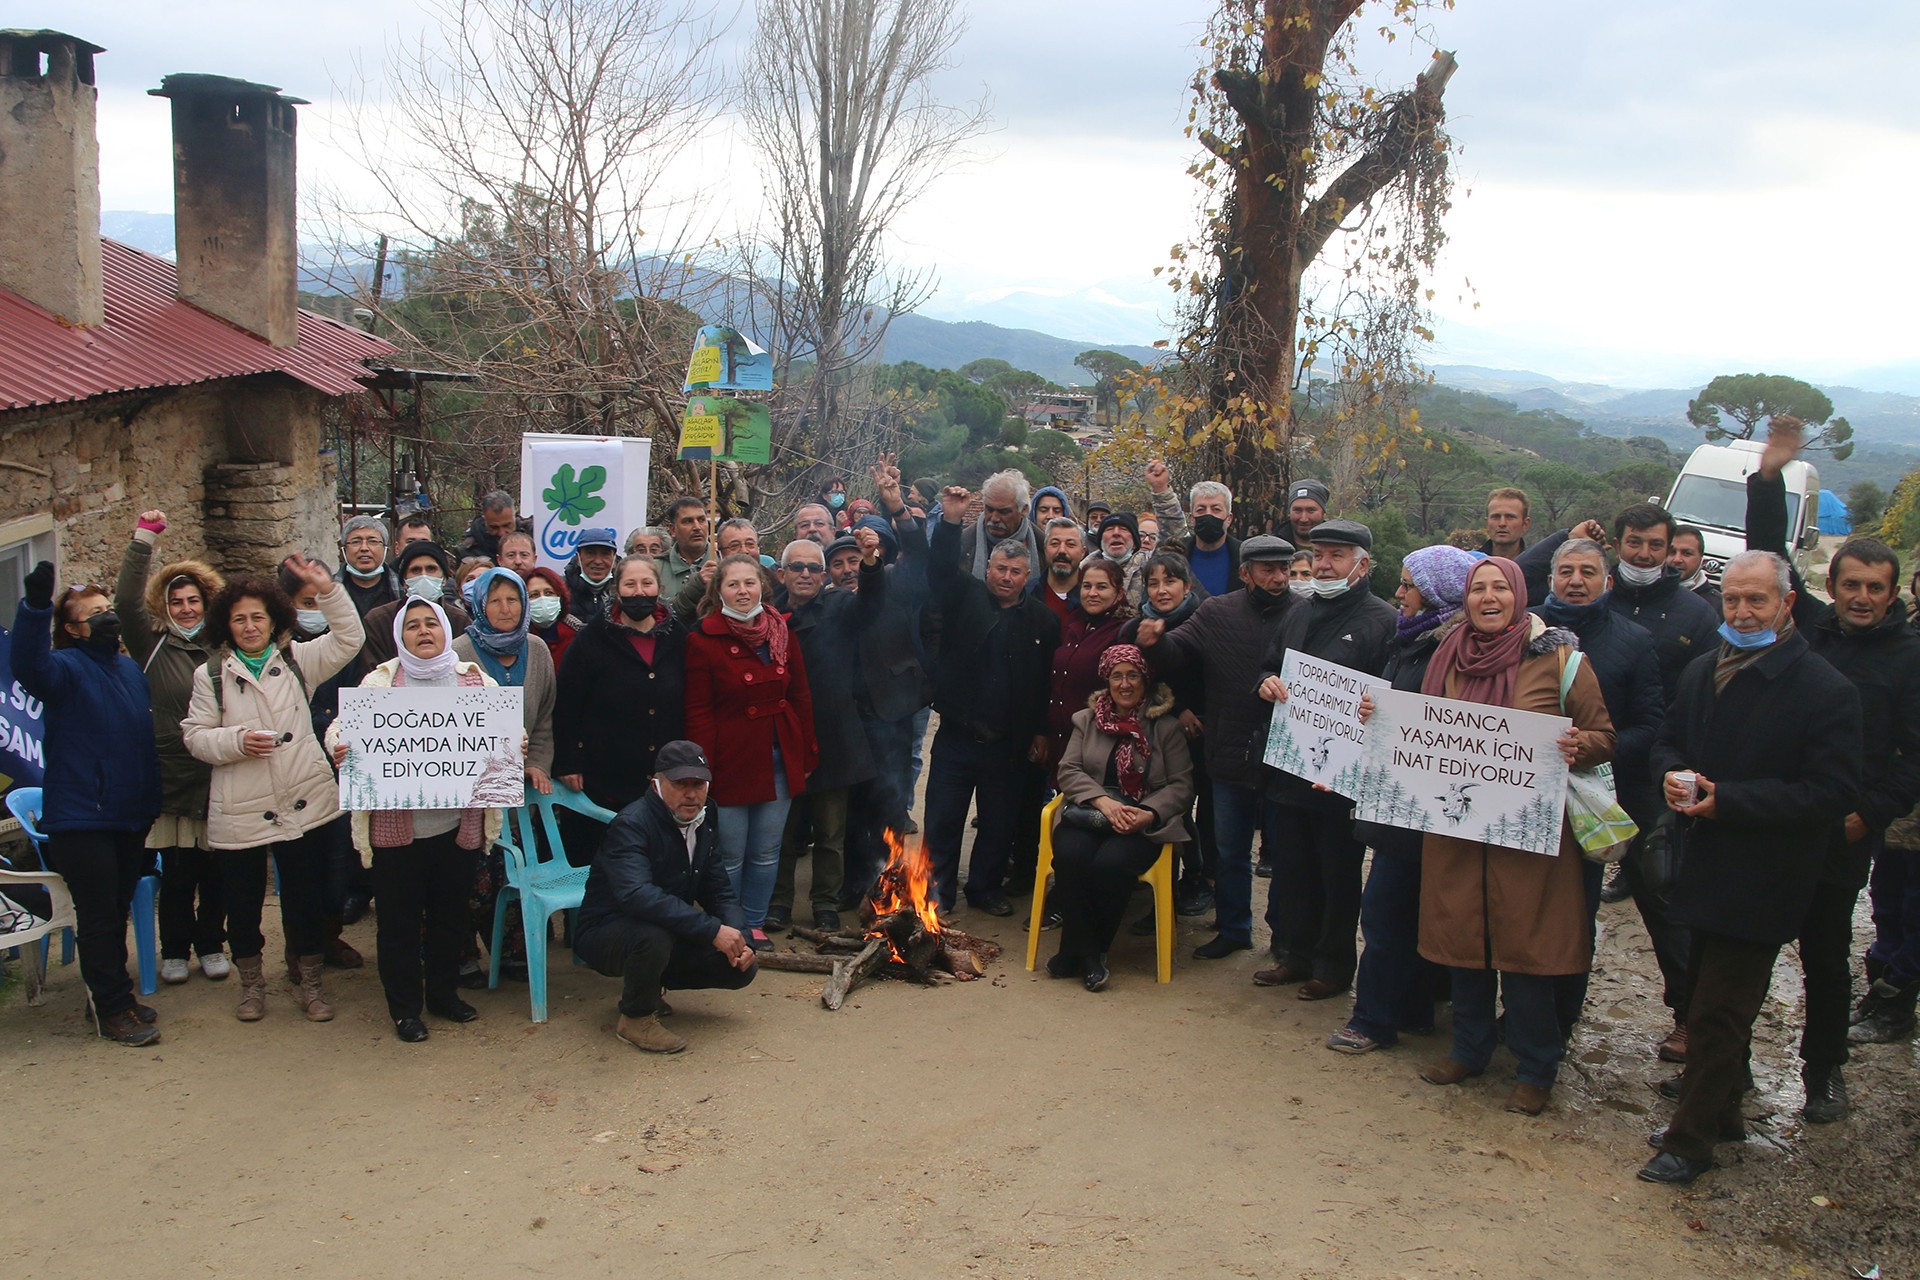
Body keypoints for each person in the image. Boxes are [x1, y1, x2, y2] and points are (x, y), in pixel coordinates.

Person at [1640, 550, 1861, 1185]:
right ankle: (1724, 1111)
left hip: (1764, 877)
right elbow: (1668, 739)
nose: (1741, 610)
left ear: (1787, 603)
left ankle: (1691, 1141)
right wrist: (1670, 775)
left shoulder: (1824, 690)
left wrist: (1728, 801)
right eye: (1732, 598)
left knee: (1719, 1011)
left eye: (1756, 600)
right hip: (1700, 867)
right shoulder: (1705, 669)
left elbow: (1831, 792)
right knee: (1703, 993)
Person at [1745, 422, 1920, 1106]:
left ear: (1892, 590)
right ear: (1835, 585)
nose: (1862, 599)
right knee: (1748, 947)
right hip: (1778, 814)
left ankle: (1823, 1072)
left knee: (1823, 956)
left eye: (1876, 588)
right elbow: (1766, 555)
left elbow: (1913, 759)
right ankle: (1727, 1069)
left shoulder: (1910, 658)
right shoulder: (1811, 628)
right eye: (1851, 586)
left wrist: (1866, 817)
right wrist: (1768, 479)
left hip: (1843, 831)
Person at [1410, 557, 1615, 1117]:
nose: (1489, 597)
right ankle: (1468, 1050)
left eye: (1501, 587)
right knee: (1464, 946)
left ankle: (1535, 1067)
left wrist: (1581, 745)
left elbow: (1604, 734)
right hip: (1457, 830)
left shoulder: (1561, 661)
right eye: (1479, 589)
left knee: (1526, 953)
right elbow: (1420, 728)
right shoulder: (1447, 656)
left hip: (1528, 839)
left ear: (1522, 595)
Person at [181, 556, 365, 1023]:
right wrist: (236, 741)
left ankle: (310, 982)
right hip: (241, 808)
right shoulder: (211, 677)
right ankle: (252, 986)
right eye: (239, 618)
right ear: (226, 623)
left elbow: (349, 638)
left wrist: (328, 592)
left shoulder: (297, 661)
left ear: (274, 620)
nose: (249, 627)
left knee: (305, 901)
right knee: (242, 907)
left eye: (257, 617)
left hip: (302, 802)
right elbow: (195, 736)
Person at [334, 599, 507, 1041]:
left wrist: (515, 746)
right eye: (413, 626)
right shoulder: (381, 683)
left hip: (457, 828)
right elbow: (341, 728)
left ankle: (444, 995)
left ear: (447, 630)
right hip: (398, 834)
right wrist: (339, 743)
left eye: (432, 622)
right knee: (399, 924)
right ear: (400, 635)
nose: (423, 631)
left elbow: (506, 730)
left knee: (451, 918)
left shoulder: (473, 681)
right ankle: (405, 1009)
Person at [1326, 544, 1474, 1054]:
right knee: (1396, 909)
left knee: (1390, 913)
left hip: (1427, 806)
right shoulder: (1410, 639)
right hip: (1398, 802)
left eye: (1409, 584)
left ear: (1435, 593)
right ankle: (1401, 1011)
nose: (1399, 593)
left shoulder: (1456, 649)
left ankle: (1373, 1020)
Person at [13, 561, 164, 1045]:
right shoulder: (63, 669)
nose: (106, 618)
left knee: (115, 910)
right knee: (98, 917)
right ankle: (112, 1011)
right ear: (73, 630)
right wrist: (36, 608)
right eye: (94, 613)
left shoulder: (126, 668)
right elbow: (29, 664)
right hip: (83, 818)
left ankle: (109, 994)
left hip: (127, 814)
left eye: (107, 609)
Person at [1531, 538, 1671, 1050]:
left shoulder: (1632, 641)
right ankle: (1521, 1015)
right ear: (1550, 580)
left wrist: (1589, 750)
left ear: (1606, 582)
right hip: (1523, 796)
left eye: (1587, 572)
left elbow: (1650, 724)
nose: (1576, 580)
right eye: (1566, 571)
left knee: (1573, 915)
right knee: (1522, 906)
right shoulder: (1524, 632)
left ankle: (1562, 1020)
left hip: (1589, 802)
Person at [1135, 535, 1297, 957]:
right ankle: (1232, 929)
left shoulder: (1305, 614)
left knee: (1285, 857)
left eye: (1283, 568)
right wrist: (1155, 641)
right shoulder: (1216, 611)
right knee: (1229, 851)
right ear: (1245, 573)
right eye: (1267, 569)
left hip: (1287, 757)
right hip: (1228, 751)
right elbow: (1179, 649)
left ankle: (1284, 937)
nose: (1277, 577)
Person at [1255, 519, 1396, 999]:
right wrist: (1266, 683)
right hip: (1291, 765)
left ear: (1362, 564)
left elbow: (1390, 702)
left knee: (1336, 872)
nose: (1323, 564)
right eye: (1318, 554)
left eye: (1336, 555)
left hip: (1341, 778)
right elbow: (1270, 663)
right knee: (1293, 869)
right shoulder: (1298, 611)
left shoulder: (1383, 621)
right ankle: (1291, 953)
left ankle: (1332, 966)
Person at [924, 486, 1062, 913]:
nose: (1006, 577)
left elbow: (1045, 684)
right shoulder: (965, 598)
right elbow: (941, 568)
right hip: (958, 735)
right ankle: (937, 891)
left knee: (998, 824)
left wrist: (1040, 730)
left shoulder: (1043, 620)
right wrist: (950, 522)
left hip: (1010, 741)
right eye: (999, 568)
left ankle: (984, 888)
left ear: (1027, 577)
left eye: (1015, 572)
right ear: (988, 570)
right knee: (943, 820)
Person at [573, 741, 757, 1053]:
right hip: (606, 931)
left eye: (698, 784)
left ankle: (649, 983)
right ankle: (636, 1017)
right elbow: (636, 895)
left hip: (668, 928)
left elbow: (719, 889)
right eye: (680, 784)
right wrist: (711, 930)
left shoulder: (706, 816)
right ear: (656, 783)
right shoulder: (631, 824)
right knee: (652, 938)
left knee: (741, 968)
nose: (691, 793)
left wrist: (741, 937)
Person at [113, 510, 229, 985]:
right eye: (176, 601)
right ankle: (175, 949)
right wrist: (143, 540)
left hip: (221, 775)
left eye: (193, 601)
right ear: (166, 606)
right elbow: (123, 602)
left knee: (218, 872)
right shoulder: (152, 645)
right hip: (174, 778)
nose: (185, 609)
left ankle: (212, 945)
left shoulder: (223, 646)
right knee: (179, 873)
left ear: (206, 603)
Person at [685, 553, 819, 945]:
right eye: (733, 584)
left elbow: (801, 696)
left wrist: (807, 751)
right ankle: (729, 926)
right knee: (729, 854)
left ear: (763, 584)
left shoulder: (781, 631)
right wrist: (702, 767)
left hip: (779, 753)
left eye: (749, 582)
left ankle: (755, 922)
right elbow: (698, 712)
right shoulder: (702, 640)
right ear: (719, 591)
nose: (743, 591)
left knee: (766, 850)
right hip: (730, 760)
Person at [1046, 645, 1194, 991]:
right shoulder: (1086, 720)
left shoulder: (1167, 727)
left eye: (1132, 676)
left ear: (1145, 681)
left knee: (1110, 864)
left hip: (1141, 819)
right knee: (1070, 855)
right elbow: (1068, 771)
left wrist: (1147, 813)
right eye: (1117, 676)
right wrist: (1103, 802)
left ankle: (1078, 951)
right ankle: (1089, 954)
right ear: (1106, 681)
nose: (1124, 684)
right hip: (1092, 812)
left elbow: (1182, 785)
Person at [769, 530, 885, 932]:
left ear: (824, 576)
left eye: (814, 568)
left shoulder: (840, 606)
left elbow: (870, 605)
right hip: (784, 738)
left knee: (831, 833)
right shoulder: (767, 615)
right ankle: (779, 903)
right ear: (781, 574)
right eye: (797, 567)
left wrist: (870, 564)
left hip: (835, 738)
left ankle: (825, 904)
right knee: (783, 832)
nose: (805, 574)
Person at [1517, 505, 1720, 703]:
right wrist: (1568, 538)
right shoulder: (1585, 597)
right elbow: (1515, 579)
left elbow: (1700, 691)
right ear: (1616, 545)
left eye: (1656, 545)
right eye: (1634, 542)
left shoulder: (1698, 614)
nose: (1644, 554)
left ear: (1667, 549)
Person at [552, 553, 685, 829]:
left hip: (665, 774)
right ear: (617, 591)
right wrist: (568, 762)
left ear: (659, 589)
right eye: (630, 585)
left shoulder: (679, 636)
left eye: (647, 583)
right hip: (606, 774)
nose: (639, 592)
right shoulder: (591, 639)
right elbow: (567, 704)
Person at [1121, 551, 1212, 917]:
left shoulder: (1204, 620)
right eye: (1153, 583)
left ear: (1187, 586)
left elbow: (1207, 674)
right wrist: (1172, 708)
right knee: (1158, 806)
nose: (1161, 591)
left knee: (1195, 808)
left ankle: (1199, 877)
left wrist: (1189, 709)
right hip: (1150, 735)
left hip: (1197, 734)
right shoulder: (1134, 628)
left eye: (1170, 582)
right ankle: (1155, 888)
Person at [1046, 559, 1134, 772]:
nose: (1092, 593)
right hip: (1059, 743)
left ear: (1119, 592)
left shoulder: (1124, 632)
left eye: (1101, 587)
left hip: (1094, 748)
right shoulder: (1074, 623)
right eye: (1087, 586)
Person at [362, 541, 472, 668]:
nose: (424, 575)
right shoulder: (378, 621)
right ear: (404, 581)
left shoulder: (460, 620)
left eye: (431, 569)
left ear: (444, 579)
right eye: (415, 570)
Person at [674, 517, 764, 622]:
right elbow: (675, 614)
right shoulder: (702, 583)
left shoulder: (774, 580)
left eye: (750, 544)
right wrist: (698, 585)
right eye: (734, 546)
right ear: (719, 554)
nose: (744, 551)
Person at [960, 470, 1041, 582]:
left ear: (1023, 510)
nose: (994, 519)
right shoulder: (964, 545)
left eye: (1004, 512)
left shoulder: (1044, 548)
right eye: (989, 509)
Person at [1176, 480, 1240, 598]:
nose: (1208, 515)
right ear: (1191, 519)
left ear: (1229, 519)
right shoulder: (1175, 554)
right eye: (1201, 510)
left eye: (1216, 509)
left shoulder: (1245, 557)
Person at [338, 515, 400, 617]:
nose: (364, 548)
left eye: (373, 541)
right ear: (343, 551)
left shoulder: (402, 589)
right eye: (356, 542)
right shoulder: (330, 590)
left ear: (386, 550)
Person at [563, 527, 620, 627]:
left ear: (614, 559)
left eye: (605, 554)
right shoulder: (560, 591)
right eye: (590, 553)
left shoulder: (625, 592)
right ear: (578, 558)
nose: (598, 561)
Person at [1034, 517, 1086, 623]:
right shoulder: (1027, 594)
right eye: (1055, 544)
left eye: (1070, 544)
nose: (1062, 550)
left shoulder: (1094, 597)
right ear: (1045, 549)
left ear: (1083, 552)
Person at [660, 497, 711, 602]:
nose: (697, 527)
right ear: (673, 530)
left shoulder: (724, 563)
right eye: (688, 521)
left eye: (701, 520)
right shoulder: (655, 568)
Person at [458, 489, 532, 560]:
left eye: (507, 525)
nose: (501, 533)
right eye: (494, 527)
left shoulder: (533, 534)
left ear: (514, 515)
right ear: (484, 519)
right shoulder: (469, 549)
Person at [524, 567, 576, 667]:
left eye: (549, 593)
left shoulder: (577, 635)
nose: (542, 599)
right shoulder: (519, 641)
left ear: (560, 597)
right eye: (534, 595)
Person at [1668, 525, 1721, 613]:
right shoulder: (1647, 592)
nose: (1677, 559)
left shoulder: (1717, 606)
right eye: (1671, 552)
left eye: (1687, 553)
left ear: (1702, 561)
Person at [1481, 487, 1532, 559]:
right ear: (1487, 523)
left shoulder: (1538, 567)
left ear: (1525, 524)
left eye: (1510, 517)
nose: (1502, 523)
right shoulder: (1470, 565)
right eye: (1496, 517)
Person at [1277, 479, 1330, 548]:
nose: (1304, 519)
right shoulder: (1274, 546)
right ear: (1289, 512)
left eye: (1311, 511)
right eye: (1297, 510)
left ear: (1323, 512)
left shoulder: (1338, 545)